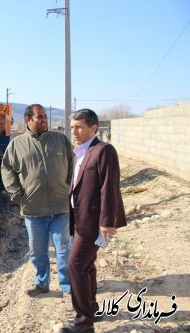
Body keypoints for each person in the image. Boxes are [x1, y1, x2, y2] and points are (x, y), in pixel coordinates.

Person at [60, 109, 127, 333]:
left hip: (94, 222)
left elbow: (110, 187)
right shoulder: (79, 152)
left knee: (75, 265)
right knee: (86, 267)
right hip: (79, 221)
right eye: (72, 127)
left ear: (93, 128)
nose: (74, 132)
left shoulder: (104, 151)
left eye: (79, 127)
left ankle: (83, 323)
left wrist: (108, 222)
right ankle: (92, 309)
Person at [1, 104, 74, 296]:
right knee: (37, 251)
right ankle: (42, 283)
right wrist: (17, 194)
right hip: (34, 210)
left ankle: (68, 286)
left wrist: (69, 188)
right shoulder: (17, 145)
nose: (44, 119)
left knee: (64, 249)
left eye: (45, 116)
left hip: (61, 207)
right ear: (28, 120)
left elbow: (72, 166)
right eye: (39, 117)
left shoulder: (60, 140)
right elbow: (7, 170)